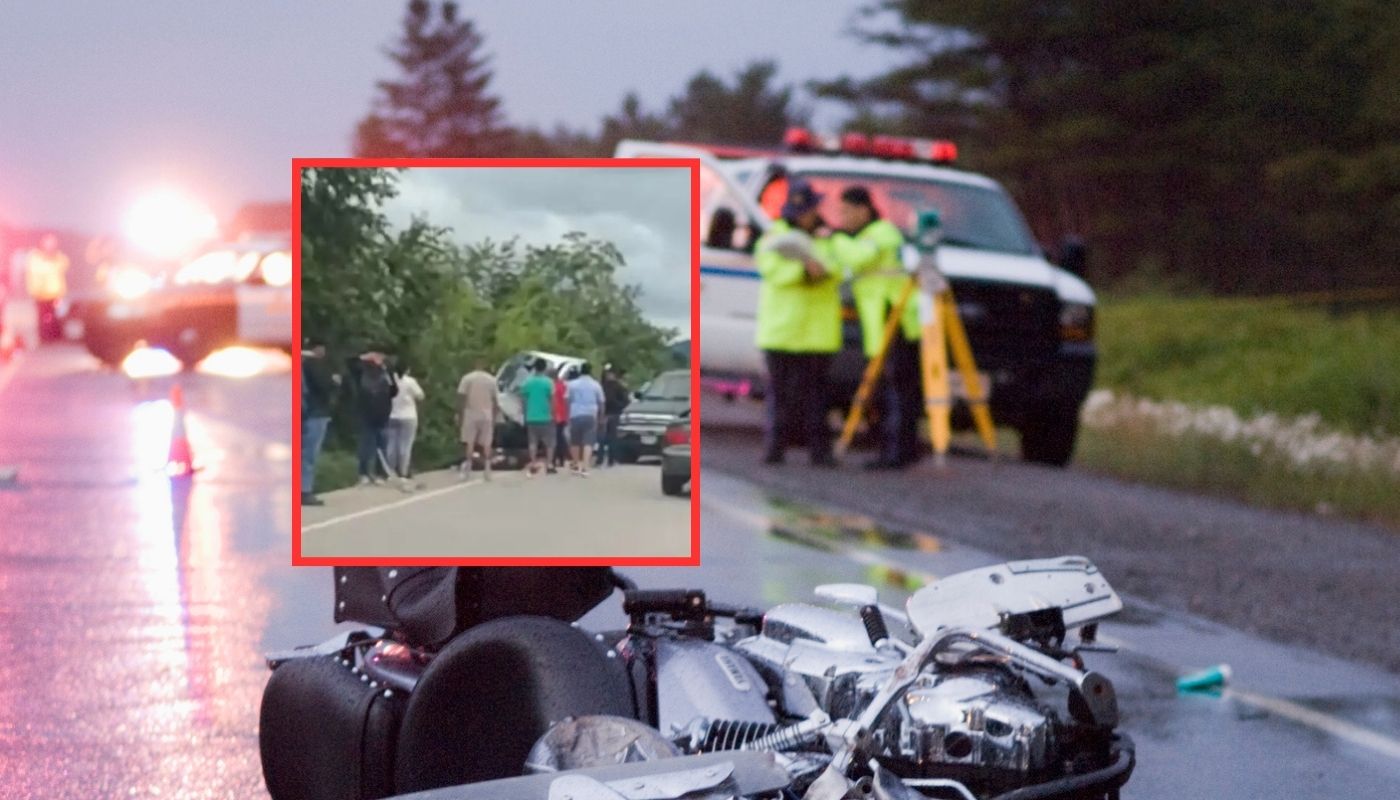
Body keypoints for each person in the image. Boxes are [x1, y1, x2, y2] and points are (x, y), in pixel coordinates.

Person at [830, 185, 921, 470]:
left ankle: (898, 451)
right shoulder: (866, 236)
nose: (841, 218)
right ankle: (891, 447)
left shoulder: (883, 232)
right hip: (878, 323)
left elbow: (859, 258)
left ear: (863, 209)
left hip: (896, 319)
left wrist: (836, 239)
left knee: (897, 389)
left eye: (846, 211)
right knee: (885, 389)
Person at [754, 179, 841, 467]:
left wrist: (823, 270)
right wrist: (803, 270)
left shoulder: (829, 238)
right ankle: (775, 448)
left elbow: (840, 267)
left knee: (817, 398)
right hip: (782, 331)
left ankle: (820, 452)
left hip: (817, 334)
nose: (810, 215)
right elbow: (771, 270)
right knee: (780, 397)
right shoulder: (772, 237)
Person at [347, 348, 398, 485]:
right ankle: (363, 473)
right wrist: (364, 356)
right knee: (365, 446)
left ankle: (380, 473)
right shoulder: (361, 371)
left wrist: (387, 371)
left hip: (383, 414)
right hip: (366, 414)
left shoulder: (386, 372)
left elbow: (394, 391)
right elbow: (350, 363)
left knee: (382, 445)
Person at [300, 336, 339, 506]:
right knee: (309, 454)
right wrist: (334, 381)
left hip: (306, 413)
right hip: (315, 413)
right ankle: (304, 490)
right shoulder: (312, 365)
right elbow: (323, 385)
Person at [456, 357, 499, 482]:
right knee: (487, 443)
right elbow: (495, 400)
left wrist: (460, 413)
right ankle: (487, 470)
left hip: (471, 412)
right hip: (486, 414)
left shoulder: (467, 378)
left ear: (475, 364)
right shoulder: (491, 380)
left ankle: (468, 470)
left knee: (470, 442)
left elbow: (461, 397)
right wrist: (494, 415)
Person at [385, 360, 425, 480]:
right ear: (406, 370)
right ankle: (403, 471)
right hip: (408, 416)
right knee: (405, 445)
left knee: (391, 444)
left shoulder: (389, 380)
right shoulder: (410, 381)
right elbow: (420, 395)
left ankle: (390, 471)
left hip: (392, 415)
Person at [25, 233, 69, 342]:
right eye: (48, 243)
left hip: (55, 293)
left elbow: (65, 264)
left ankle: (56, 336)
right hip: (40, 294)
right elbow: (36, 271)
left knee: (56, 316)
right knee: (43, 317)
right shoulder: (35, 258)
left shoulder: (58, 257)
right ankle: (44, 337)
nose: (50, 245)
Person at [566, 362, 606, 476]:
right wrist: (601, 416)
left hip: (575, 414)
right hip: (590, 414)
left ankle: (575, 464)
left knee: (575, 441)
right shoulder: (596, 385)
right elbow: (601, 402)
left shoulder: (572, 384)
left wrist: (568, 413)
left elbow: (567, 400)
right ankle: (585, 466)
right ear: (590, 371)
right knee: (588, 442)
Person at [519, 358, 557, 477]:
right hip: (546, 416)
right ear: (545, 368)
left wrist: (525, 414)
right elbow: (552, 400)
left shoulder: (527, 382)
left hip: (531, 416)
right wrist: (553, 413)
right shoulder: (549, 382)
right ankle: (550, 464)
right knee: (550, 443)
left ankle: (533, 463)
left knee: (533, 442)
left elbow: (523, 400)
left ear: (534, 368)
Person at [598, 365, 630, 466]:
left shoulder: (618, 386)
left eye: (610, 374)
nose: (609, 375)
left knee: (612, 437)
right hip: (604, 414)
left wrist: (618, 406)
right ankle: (600, 459)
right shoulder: (602, 386)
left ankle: (611, 459)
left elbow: (626, 401)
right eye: (607, 374)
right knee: (602, 438)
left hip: (614, 414)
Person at [551, 366, 572, 472]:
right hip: (562, 414)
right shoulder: (563, 385)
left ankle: (556, 459)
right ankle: (562, 458)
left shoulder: (553, 386)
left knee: (555, 438)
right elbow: (566, 400)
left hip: (555, 415)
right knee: (560, 437)